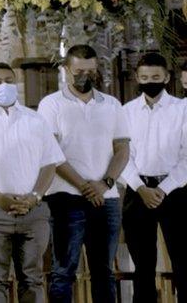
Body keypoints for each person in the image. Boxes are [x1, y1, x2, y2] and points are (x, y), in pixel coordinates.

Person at [37, 44, 130, 303]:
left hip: (106, 198)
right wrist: (85, 186)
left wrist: (105, 183)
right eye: (78, 71)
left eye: (90, 71)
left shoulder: (111, 104)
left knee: (104, 271)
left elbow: (122, 149)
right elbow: (52, 153)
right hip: (66, 197)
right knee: (64, 271)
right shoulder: (51, 104)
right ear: (67, 69)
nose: (84, 76)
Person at [0, 62, 64, 303]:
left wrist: (35, 196)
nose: (4, 86)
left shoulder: (35, 119)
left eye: (9, 80)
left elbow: (50, 162)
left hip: (33, 210)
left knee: (33, 278)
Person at [120, 52, 187, 302]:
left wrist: (163, 189)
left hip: (176, 192)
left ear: (167, 77)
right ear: (137, 77)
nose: (150, 81)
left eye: (156, 76)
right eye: (145, 77)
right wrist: (141, 188)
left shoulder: (182, 109)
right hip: (138, 192)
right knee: (143, 265)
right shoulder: (125, 112)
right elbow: (123, 155)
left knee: (183, 261)